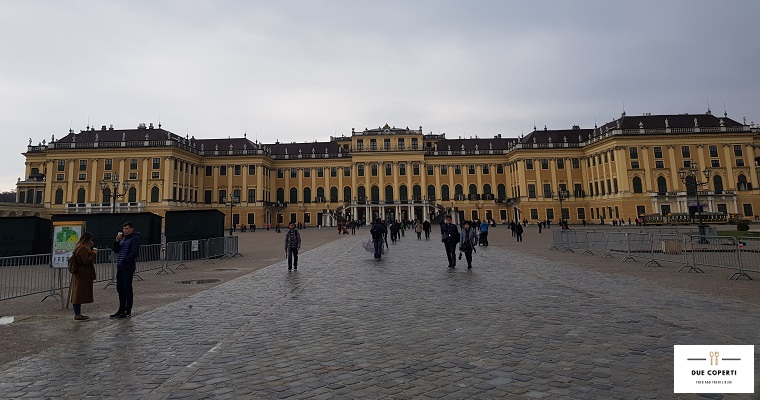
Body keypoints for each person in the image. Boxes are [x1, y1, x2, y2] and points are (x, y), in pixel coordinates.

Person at [112, 221, 140, 319]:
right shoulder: (123, 238)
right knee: (120, 288)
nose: (125, 231)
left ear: (132, 229)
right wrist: (116, 241)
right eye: (124, 229)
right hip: (120, 267)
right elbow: (116, 250)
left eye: (127, 228)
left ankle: (127, 310)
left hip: (128, 267)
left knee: (127, 288)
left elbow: (134, 252)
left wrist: (125, 260)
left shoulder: (135, 238)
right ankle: (121, 309)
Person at [70, 231, 97, 321]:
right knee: (78, 293)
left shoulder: (80, 247)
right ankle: (77, 314)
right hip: (82, 274)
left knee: (78, 292)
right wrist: (93, 254)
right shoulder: (82, 249)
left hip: (81, 273)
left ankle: (78, 313)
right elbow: (86, 261)